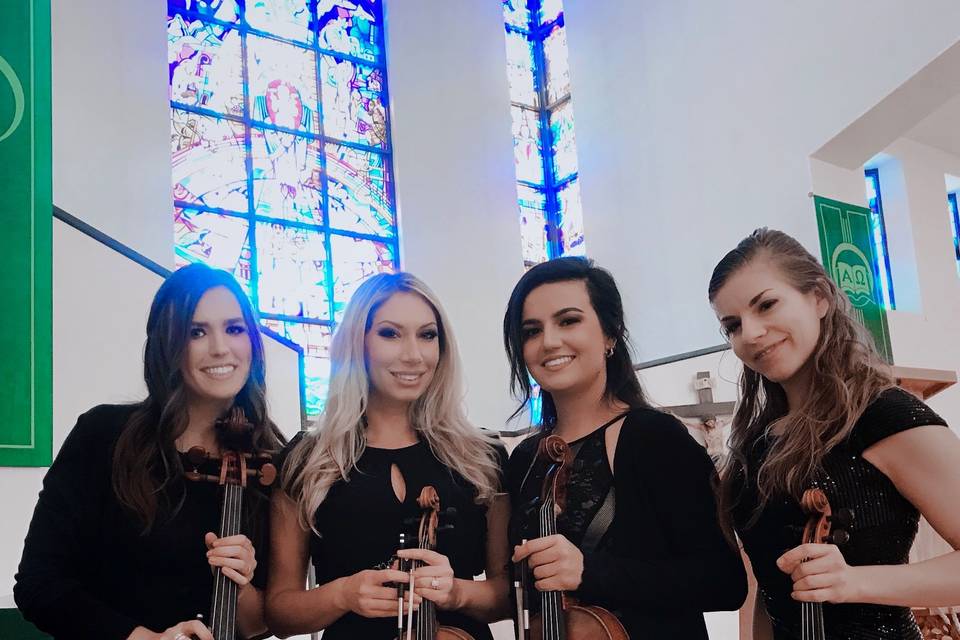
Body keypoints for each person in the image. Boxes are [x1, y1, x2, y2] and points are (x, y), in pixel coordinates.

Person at [709, 228, 960, 638]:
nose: (750, 333)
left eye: (767, 305)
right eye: (733, 325)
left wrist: (855, 581)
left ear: (819, 298)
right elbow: (770, 593)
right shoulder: (759, 443)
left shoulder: (882, 415)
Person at [15, 263, 286, 640]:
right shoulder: (104, 436)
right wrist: (147, 638)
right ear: (169, 345)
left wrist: (239, 584)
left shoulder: (271, 461)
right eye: (197, 332)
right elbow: (38, 583)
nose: (221, 347)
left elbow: (261, 625)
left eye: (234, 328)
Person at [503, 256, 747, 638]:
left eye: (568, 321)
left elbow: (724, 582)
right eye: (532, 331)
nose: (549, 341)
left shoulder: (654, 438)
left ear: (609, 335)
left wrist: (590, 571)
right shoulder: (525, 458)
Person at [266, 272, 511, 639]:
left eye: (427, 335)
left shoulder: (481, 456)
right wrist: (342, 595)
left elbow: (509, 596)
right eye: (390, 334)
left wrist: (457, 592)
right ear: (357, 343)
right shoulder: (309, 459)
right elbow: (280, 614)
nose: (413, 355)